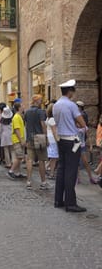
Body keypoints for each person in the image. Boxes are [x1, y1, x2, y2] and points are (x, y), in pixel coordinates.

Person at [53, 79, 87, 213]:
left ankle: (58, 200)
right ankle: (70, 203)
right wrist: (76, 124)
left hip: (61, 140)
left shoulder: (56, 105)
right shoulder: (71, 105)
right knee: (71, 172)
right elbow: (82, 123)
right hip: (72, 140)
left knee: (61, 170)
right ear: (70, 91)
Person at [25, 94, 48, 189]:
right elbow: (43, 125)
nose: (41, 102)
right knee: (41, 160)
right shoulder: (41, 112)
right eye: (40, 100)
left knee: (29, 160)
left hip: (30, 138)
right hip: (40, 138)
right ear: (36, 101)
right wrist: (46, 137)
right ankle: (43, 182)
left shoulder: (27, 112)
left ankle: (29, 181)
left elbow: (26, 125)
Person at [76, 101, 97, 184]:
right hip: (75, 145)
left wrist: (91, 145)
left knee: (85, 162)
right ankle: (78, 178)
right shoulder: (74, 126)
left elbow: (88, 136)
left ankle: (90, 177)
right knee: (76, 162)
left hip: (82, 144)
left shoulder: (84, 127)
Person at [7, 102, 26, 179]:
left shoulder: (18, 116)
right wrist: (21, 140)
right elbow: (17, 129)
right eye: (22, 105)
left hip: (18, 139)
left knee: (19, 156)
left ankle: (18, 172)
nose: (23, 107)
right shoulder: (17, 117)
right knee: (19, 157)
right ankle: (11, 171)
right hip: (17, 139)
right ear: (19, 108)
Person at [46, 103, 59, 179]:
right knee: (54, 157)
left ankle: (47, 168)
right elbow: (54, 131)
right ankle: (51, 173)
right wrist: (57, 140)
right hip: (53, 139)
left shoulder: (48, 118)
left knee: (53, 157)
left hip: (49, 138)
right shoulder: (53, 119)